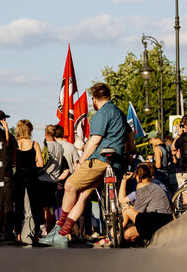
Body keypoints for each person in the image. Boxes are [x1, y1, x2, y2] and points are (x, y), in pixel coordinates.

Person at [40, 82, 128, 248]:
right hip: (116, 162)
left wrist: (81, 161)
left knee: (69, 186)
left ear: (94, 99)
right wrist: (128, 155)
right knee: (83, 195)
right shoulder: (119, 113)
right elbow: (130, 138)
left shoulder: (102, 114)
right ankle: (62, 233)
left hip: (100, 161)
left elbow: (94, 141)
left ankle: (59, 230)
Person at [119, 164, 173, 245]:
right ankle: (141, 241)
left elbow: (126, 203)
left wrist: (124, 180)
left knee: (126, 210)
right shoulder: (158, 184)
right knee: (128, 234)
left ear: (138, 176)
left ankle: (111, 237)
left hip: (156, 220)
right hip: (166, 219)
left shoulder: (142, 186)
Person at [13, 119, 43, 243]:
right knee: (35, 205)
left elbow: (13, 162)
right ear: (30, 130)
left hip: (19, 175)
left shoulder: (16, 144)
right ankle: (36, 234)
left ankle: (18, 234)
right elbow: (40, 163)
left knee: (18, 205)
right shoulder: (34, 144)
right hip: (32, 175)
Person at [39, 125, 70, 232]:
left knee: (45, 208)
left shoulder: (45, 145)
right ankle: (51, 230)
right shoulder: (59, 147)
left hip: (44, 179)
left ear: (45, 134)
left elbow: (40, 162)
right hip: (55, 180)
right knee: (51, 208)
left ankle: (47, 231)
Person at [0, 110, 16, 240]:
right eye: (4, 120)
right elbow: (5, 146)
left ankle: (4, 231)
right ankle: (5, 231)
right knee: (6, 205)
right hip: (4, 174)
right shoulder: (3, 135)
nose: (5, 122)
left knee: (2, 204)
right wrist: (6, 130)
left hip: (0, 174)